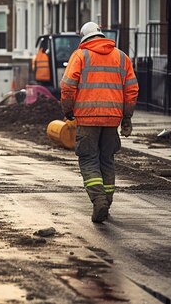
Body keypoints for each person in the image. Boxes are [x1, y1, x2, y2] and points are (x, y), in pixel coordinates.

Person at [60, 22, 139, 223]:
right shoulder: (122, 57)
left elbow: (68, 86)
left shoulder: (80, 56)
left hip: (87, 118)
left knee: (88, 159)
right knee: (107, 159)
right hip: (112, 119)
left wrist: (67, 110)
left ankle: (98, 200)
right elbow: (131, 90)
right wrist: (127, 117)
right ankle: (107, 200)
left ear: (84, 38)